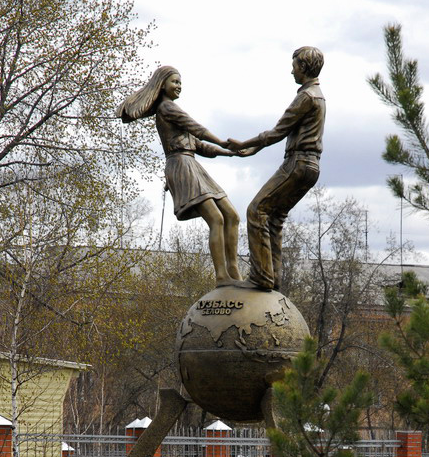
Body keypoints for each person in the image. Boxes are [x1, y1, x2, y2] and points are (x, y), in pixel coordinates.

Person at [118, 66, 245, 287]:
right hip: (181, 166)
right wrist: (223, 141)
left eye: (180, 83)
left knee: (232, 216)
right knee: (216, 219)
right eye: (175, 82)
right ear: (163, 84)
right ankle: (222, 276)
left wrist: (231, 152)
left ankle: (234, 269)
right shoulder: (167, 108)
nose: (179, 86)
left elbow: (201, 146)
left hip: (193, 165)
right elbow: (198, 129)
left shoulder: (173, 112)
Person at [225, 46, 326, 291]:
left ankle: (261, 276)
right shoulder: (318, 95)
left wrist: (246, 144)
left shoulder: (307, 96)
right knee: (275, 217)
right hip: (312, 167)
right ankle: (273, 278)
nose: (291, 71)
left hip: (298, 162)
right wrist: (254, 150)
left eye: (294, 66)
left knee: (256, 210)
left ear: (303, 67)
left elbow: (278, 131)